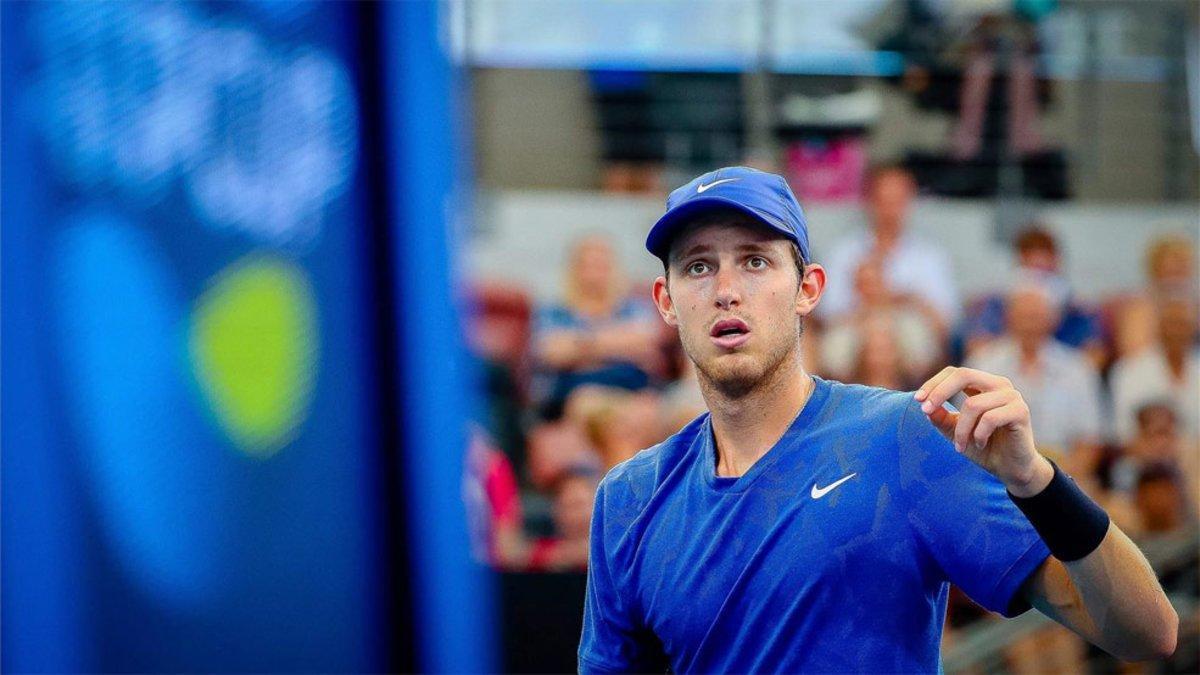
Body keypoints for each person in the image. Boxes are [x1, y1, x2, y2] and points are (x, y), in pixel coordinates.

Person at [578, 166, 1177, 672]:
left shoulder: (906, 437)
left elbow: (1146, 634)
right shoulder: (628, 497)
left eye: (756, 262)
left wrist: (1038, 483)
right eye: (698, 267)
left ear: (808, 289)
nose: (727, 289)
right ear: (665, 300)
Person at [966, 280, 1106, 482]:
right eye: (1023, 315)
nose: (1030, 323)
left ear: (1053, 319)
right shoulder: (982, 364)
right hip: (997, 470)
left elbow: (1089, 442)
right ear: (1008, 317)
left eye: (1036, 316)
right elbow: (967, 429)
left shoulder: (1078, 369)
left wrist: (1058, 483)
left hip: (1065, 474)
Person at [817, 163, 959, 336]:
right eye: (884, 200)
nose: (890, 210)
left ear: (910, 201)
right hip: (856, 334)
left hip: (912, 343)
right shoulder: (844, 252)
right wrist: (867, 303)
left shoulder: (930, 255)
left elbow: (946, 321)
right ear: (869, 201)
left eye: (898, 201)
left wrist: (899, 299)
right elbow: (827, 317)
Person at [532, 235, 664, 411]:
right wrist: (619, 345)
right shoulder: (555, 311)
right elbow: (552, 353)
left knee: (647, 408)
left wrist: (581, 346)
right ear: (573, 270)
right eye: (587, 266)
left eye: (601, 266)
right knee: (589, 403)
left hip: (629, 388)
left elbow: (646, 343)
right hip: (575, 391)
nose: (594, 274)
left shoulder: (633, 307)